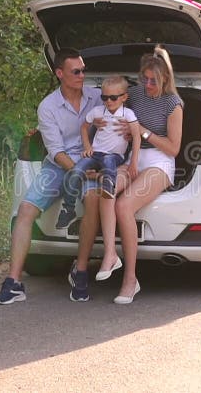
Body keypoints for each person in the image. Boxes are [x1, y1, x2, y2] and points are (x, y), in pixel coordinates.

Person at [71, 45, 183, 304]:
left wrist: (141, 131)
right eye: (144, 78)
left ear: (165, 77)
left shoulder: (173, 103)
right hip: (131, 158)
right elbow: (110, 101)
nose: (148, 84)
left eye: (153, 80)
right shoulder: (134, 94)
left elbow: (173, 148)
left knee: (124, 206)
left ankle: (130, 280)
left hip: (159, 162)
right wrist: (98, 120)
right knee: (106, 188)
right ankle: (110, 255)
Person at [0, 47, 102, 305]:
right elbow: (56, 151)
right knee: (26, 209)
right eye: (76, 71)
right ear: (60, 73)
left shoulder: (97, 98)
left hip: (89, 162)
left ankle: (81, 271)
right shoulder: (48, 107)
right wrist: (78, 172)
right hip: (58, 166)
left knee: (93, 199)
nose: (82, 75)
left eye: (84, 70)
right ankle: (13, 282)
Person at [56, 76, 141, 286]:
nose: (108, 101)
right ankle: (67, 208)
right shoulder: (98, 112)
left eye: (113, 97)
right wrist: (87, 147)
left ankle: (108, 186)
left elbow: (137, 137)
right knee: (75, 172)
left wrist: (134, 163)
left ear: (124, 97)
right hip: (96, 153)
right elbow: (84, 128)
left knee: (110, 165)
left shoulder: (128, 114)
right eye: (104, 97)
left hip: (114, 156)